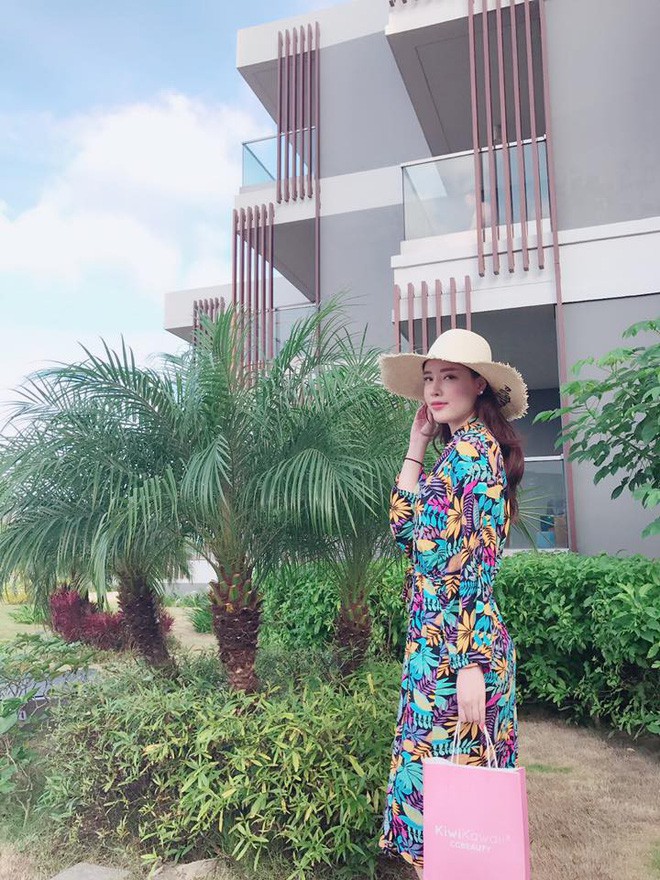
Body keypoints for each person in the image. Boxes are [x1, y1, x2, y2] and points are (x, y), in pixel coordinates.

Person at [376, 327, 528, 877]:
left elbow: (473, 568)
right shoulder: (456, 453)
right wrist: (416, 444)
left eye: (450, 377)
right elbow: (407, 533)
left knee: (456, 820)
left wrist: (469, 664)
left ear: (479, 385)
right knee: (448, 814)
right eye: (429, 379)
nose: (435, 389)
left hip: (458, 653)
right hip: (438, 650)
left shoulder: (472, 456)